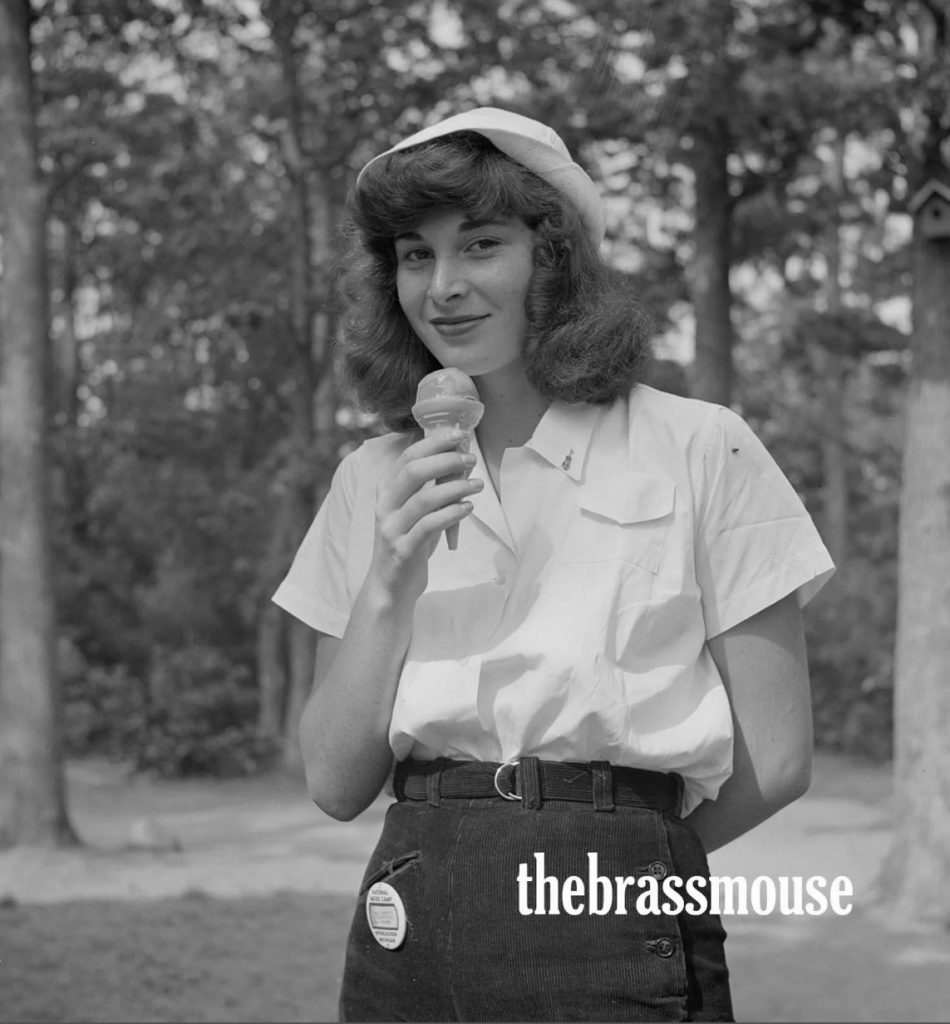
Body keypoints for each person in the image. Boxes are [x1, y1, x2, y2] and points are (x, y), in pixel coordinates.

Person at [273, 107, 834, 1022]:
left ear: (554, 257)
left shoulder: (700, 446)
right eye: (416, 255)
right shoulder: (372, 477)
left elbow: (778, 760)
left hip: (616, 904)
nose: (443, 286)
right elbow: (335, 786)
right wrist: (388, 586)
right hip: (406, 916)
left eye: (481, 245)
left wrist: (614, 872)